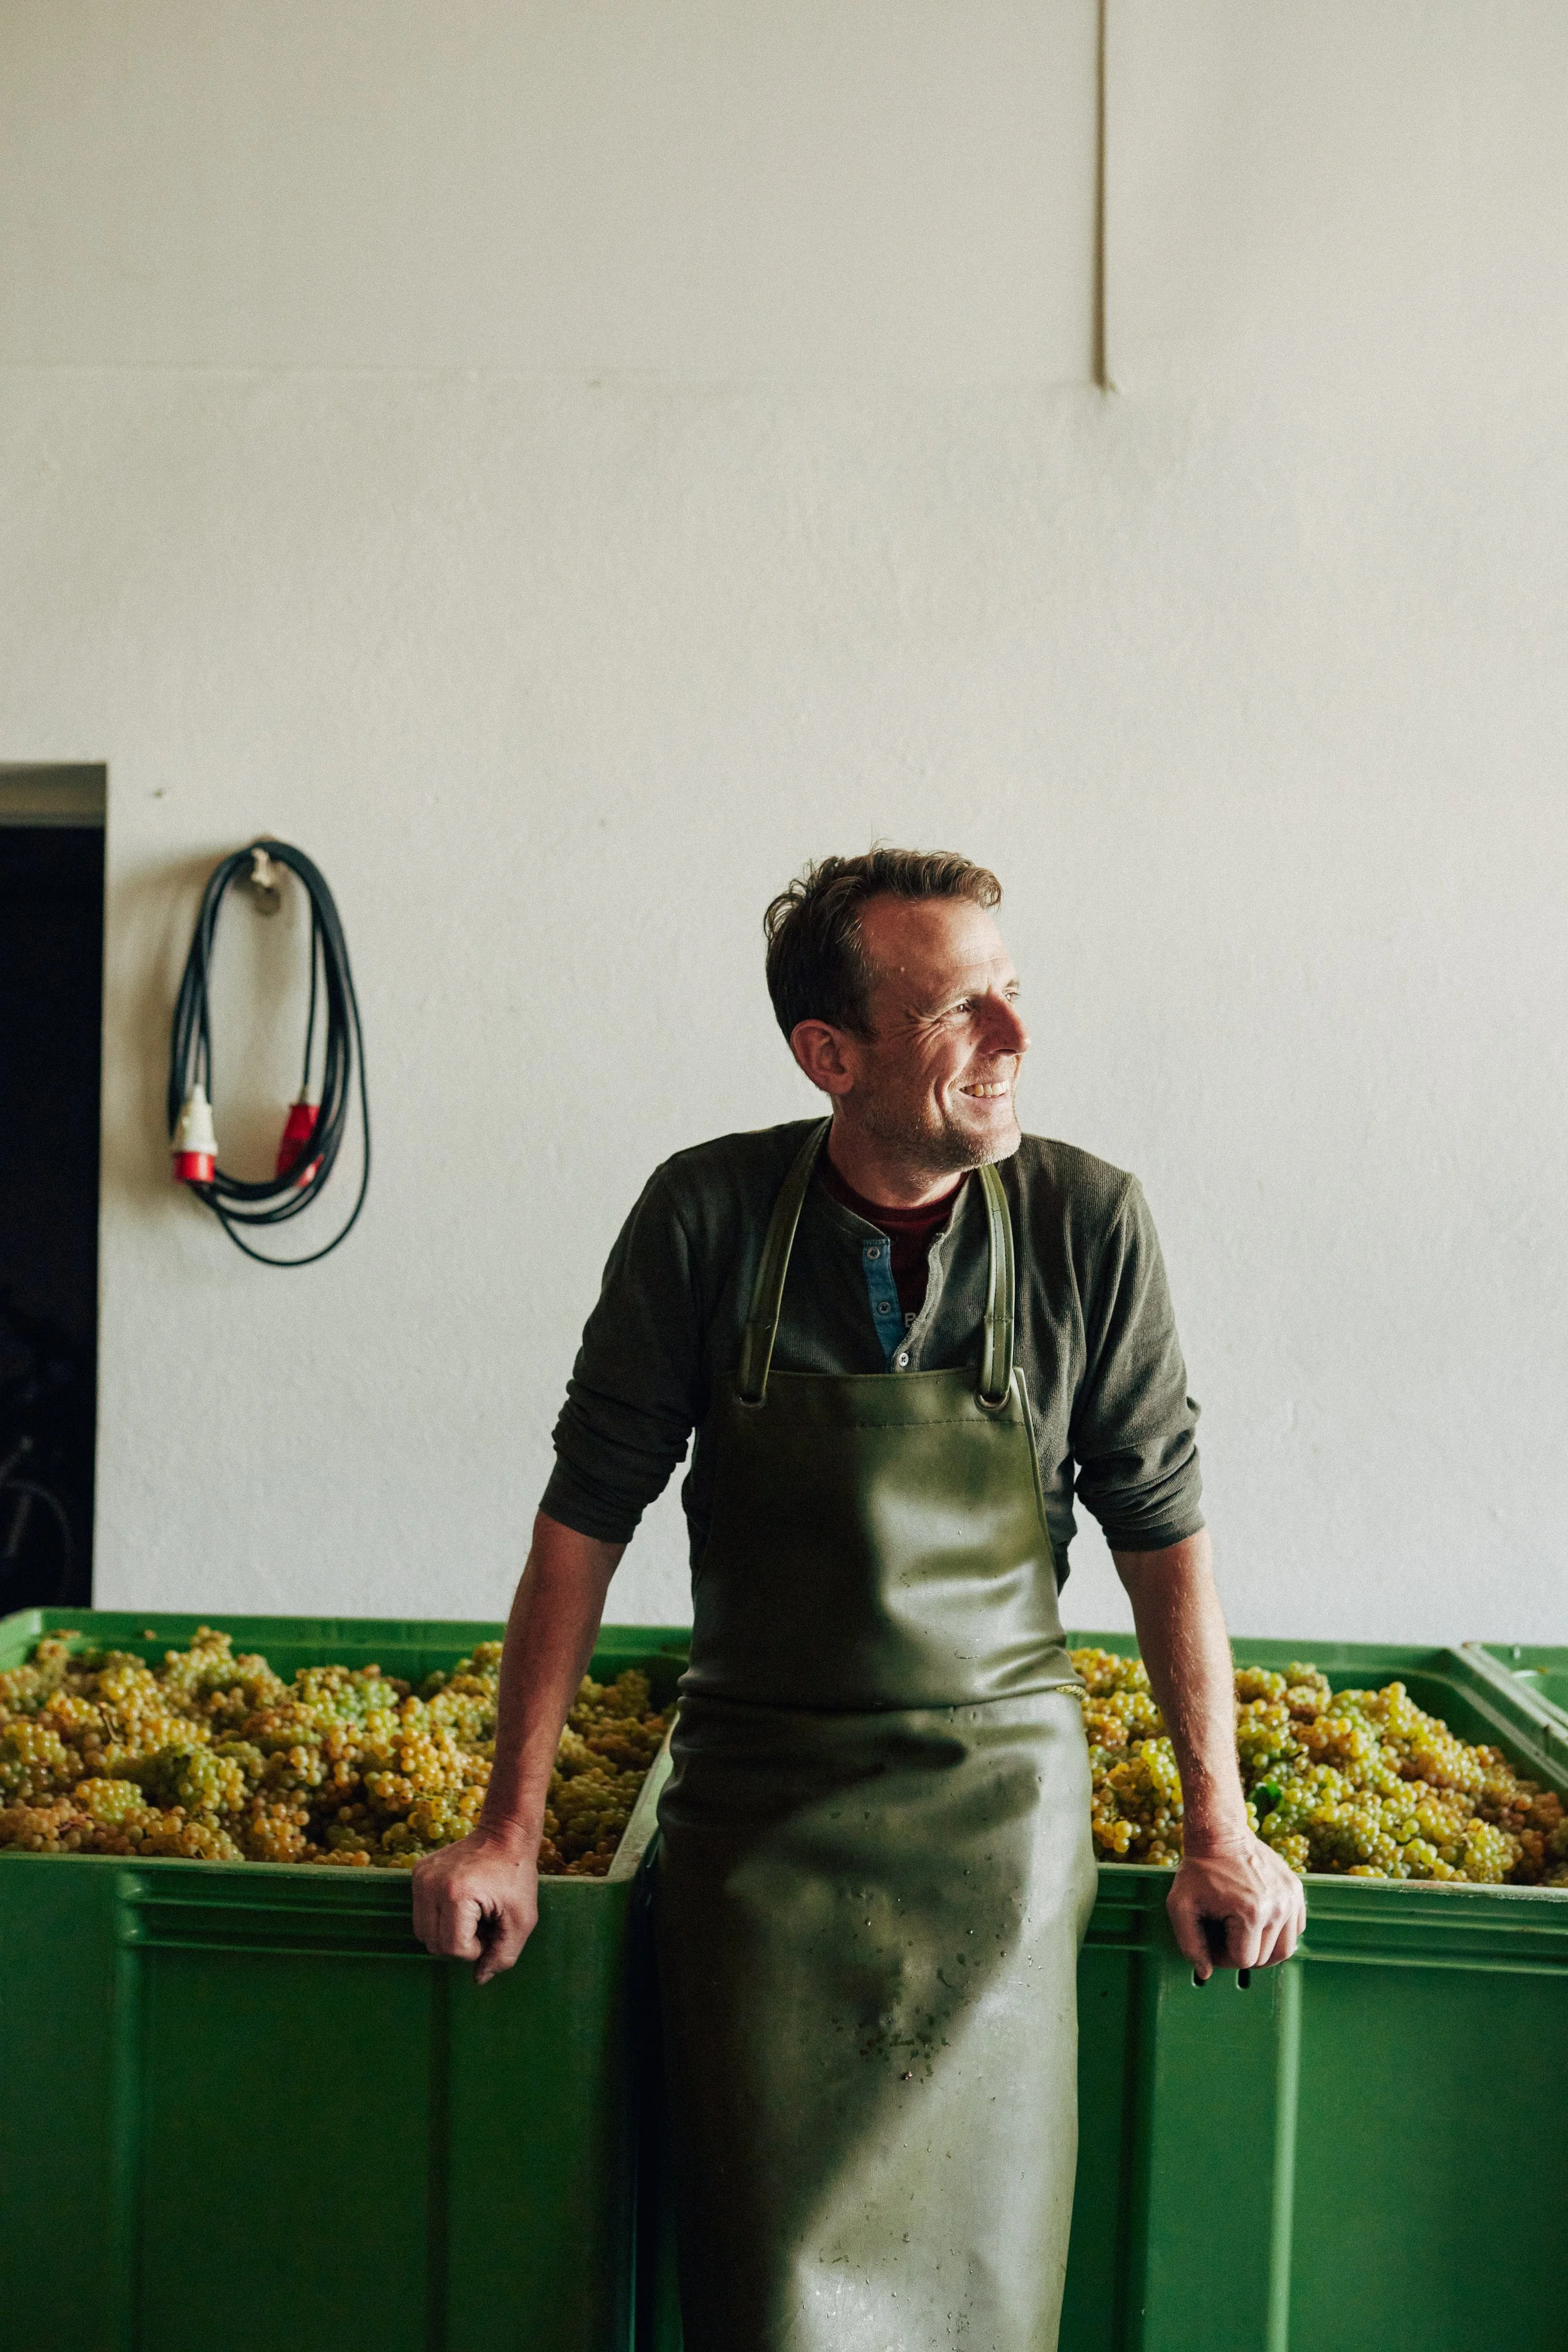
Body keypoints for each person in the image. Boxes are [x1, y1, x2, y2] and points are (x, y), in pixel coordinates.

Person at [413, 847, 1304, 2352]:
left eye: (1011, 994)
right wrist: (507, 1828)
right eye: (961, 1011)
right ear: (828, 1055)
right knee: (766, 2291)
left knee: (984, 2296)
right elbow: (583, 1521)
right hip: (759, 1833)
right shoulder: (702, 1214)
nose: (1015, 1037)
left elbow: (1162, 1532)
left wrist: (1217, 1827)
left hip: (998, 1837)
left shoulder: (1088, 1222)